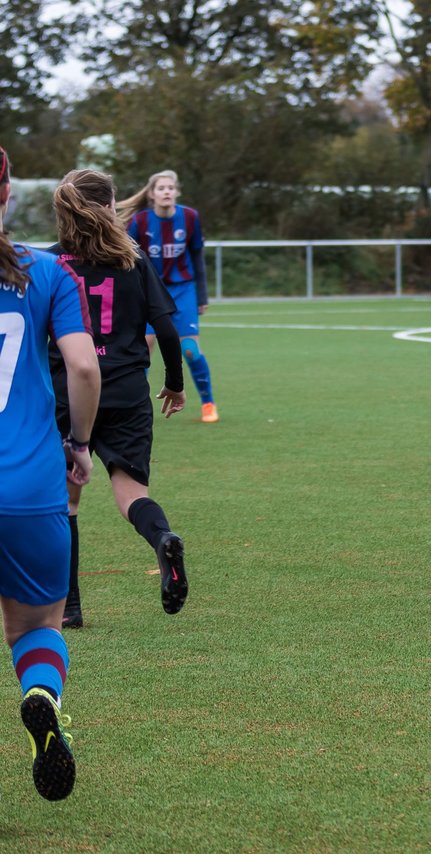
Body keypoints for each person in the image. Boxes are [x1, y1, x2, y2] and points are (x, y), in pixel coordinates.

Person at [0, 146, 101, 801]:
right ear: (7, 194)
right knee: (36, 627)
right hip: (28, 488)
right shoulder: (45, 272)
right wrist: (81, 444)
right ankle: (39, 693)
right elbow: (85, 369)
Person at [49, 169, 190, 627]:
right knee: (132, 494)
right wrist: (174, 383)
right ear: (111, 207)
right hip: (127, 392)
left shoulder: (52, 264)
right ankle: (162, 537)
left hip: (69, 393)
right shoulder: (134, 260)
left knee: (67, 504)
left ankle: (70, 608)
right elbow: (166, 328)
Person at [118, 170, 219, 423]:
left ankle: (208, 403)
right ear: (152, 194)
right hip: (150, 291)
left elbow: (197, 256)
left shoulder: (190, 217)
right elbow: (129, 260)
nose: (166, 192)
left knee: (190, 350)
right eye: (161, 188)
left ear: (177, 192)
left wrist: (202, 296)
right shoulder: (140, 222)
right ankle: (134, 408)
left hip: (183, 289)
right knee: (144, 347)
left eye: (170, 187)